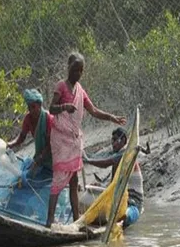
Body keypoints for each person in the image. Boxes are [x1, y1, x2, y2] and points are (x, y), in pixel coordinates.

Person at [46, 52, 126, 228]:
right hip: (61, 141)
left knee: (74, 181)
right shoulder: (61, 86)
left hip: (73, 141)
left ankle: (76, 220)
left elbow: (94, 110)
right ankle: (49, 221)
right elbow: (51, 109)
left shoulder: (80, 90)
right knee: (58, 180)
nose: (78, 74)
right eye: (75, 70)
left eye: (81, 71)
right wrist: (65, 106)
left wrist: (112, 117)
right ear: (68, 69)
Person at [83, 127, 144, 228]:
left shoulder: (126, 155)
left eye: (115, 140)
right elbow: (113, 186)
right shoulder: (118, 161)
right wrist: (102, 186)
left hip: (133, 205)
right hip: (120, 201)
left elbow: (107, 163)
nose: (113, 143)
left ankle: (119, 219)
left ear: (123, 140)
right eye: (112, 140)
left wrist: (88, 161)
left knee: (123, 216)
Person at [8, 89, 54, 175]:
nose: (31, 110)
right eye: (29, 107)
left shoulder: (49, 119)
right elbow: (22, 136)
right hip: (41, 155)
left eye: (33, 107)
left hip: (54, 153)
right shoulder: (28, 119)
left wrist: (38, 160)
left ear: (39, 105)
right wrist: (10, 144)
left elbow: (50, 145)